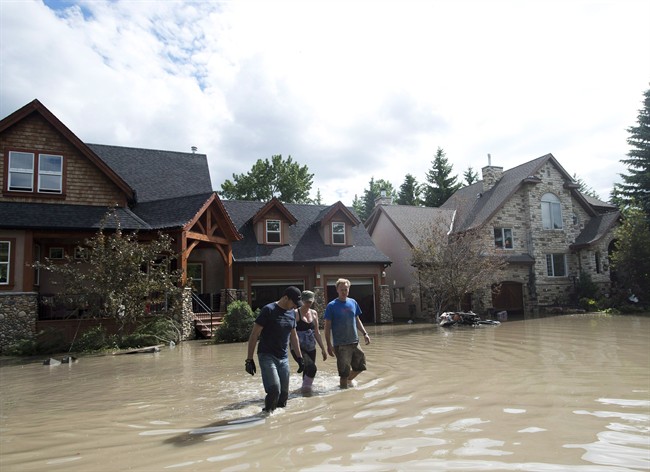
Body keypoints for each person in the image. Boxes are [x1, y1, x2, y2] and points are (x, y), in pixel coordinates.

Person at [245, 286, 305, 413]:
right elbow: (254, 334)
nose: (295, 306)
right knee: (274, 391)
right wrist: (249, 359)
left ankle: (279, 424)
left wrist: (300, 358)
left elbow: (293, 336)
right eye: (293, 303)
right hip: (267, 355)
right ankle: (265, 417)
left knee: (283, 396)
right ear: (285, 298)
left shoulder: (292, 314)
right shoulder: (269, 310)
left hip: (283, 357)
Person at [323, 278, 371, 389]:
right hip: (341, 345)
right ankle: (343, 393)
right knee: (343, 373)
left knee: (360, 367)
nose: (344, 291)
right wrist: (329, 345)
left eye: (346, 289)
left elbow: (357, 320)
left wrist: (365, 333)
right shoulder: (331, 305)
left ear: (349, 289)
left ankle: (349, 381)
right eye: (342, 289)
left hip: (355, 341)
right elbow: (327, 327)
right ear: (337, 290)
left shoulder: (353, 302)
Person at [290, 290, 327, 392]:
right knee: (312, 368)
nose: (308, 304)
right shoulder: (295, 313)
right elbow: (290, 332)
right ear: (302, 300)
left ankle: (304, 390)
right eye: (306, 302)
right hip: (298, 347)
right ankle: (306, 390)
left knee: (308, 370)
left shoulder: (314, 313)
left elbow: (317, 332)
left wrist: (323, 349)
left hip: (311, 346)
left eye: (310, 302)